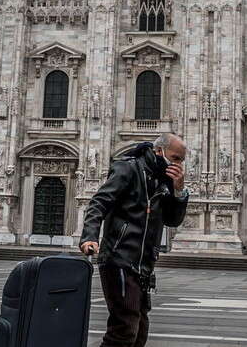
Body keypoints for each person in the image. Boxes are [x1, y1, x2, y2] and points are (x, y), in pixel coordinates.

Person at [80, 133, 189, 347]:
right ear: (160, 151)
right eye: (176, 158)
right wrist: (89, 237)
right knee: (124, 329)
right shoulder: (129, 168)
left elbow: (172, 220)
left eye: (181, 161)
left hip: (144, 264)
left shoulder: (163, 179)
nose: (178, 164)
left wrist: (179, 191)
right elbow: (99, 203)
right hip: (119, 258)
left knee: (139, 330)